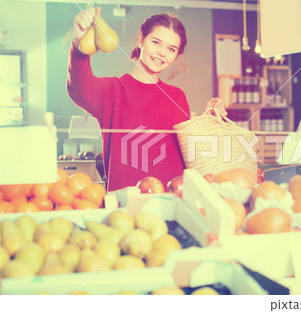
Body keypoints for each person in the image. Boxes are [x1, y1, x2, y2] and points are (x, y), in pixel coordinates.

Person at [68, 7, 226, 191]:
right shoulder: (113, 90)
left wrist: (209, 119)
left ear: (176, 55)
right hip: (127, 206)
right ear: (141, 40)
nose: (162, 52)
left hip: (173, 202)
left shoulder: (177, 96)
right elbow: (79, 88)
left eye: (171, 49)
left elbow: (189, 151)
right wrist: (80, 46)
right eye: (156, 42)